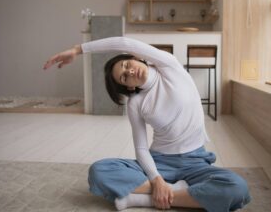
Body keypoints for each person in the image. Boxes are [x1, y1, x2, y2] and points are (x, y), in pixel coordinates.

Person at [43, 37, 251, 211]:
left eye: (126, 65)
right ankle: (179, 192)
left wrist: (77, 50)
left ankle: (144, 199)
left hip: (195, 161)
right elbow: (141, 148)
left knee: (237, 188)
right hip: (159, 162)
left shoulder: (169, 66)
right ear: (129, 88)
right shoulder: (136, 103)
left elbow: (124, 42)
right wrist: (156, 179)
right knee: (99, 171)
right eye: (124, 78)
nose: (130, 72)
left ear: (135, 58)